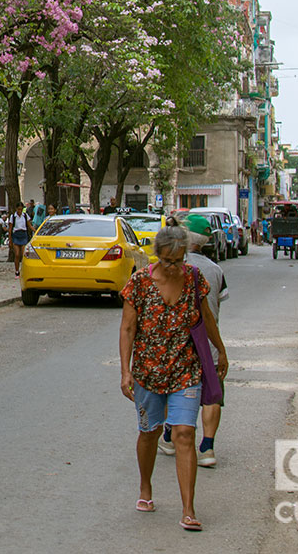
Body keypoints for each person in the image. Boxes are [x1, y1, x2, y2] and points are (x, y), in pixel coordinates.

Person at [119, 223, 227, 532]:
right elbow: (127, 328)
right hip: (148, 371)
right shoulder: (139, 283)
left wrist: (220, 350)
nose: (174, 267)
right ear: (158, 257)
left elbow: (206, 318)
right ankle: (145, 488)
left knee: (183, 433)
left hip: (185, 368)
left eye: (179, 260)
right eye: (168, 261)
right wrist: (125, 371)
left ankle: (188, 509)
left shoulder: (194, 279)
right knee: (150, 432)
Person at [156, 214, 225, 467]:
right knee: (212, 394)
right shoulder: (215, 270)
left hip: (179, 345)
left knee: (172, 389)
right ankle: (207, 447)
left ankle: (169, 435)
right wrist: (220, 348)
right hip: (207, 344)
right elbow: (213, 310)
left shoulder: (173, 270)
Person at [9, 202, 30, 276]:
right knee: (17, 254)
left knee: (23, 254)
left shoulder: (25, 216)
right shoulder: (13, 217)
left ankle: (24, 270)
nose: (20, 211)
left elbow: (29, 225)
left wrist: (35, 230)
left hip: (23, 234)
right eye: (18, 209)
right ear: (16, 209)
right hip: (16, 235)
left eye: (21, 209)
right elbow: (10, 228)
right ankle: (17, 270)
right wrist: (10, 240)